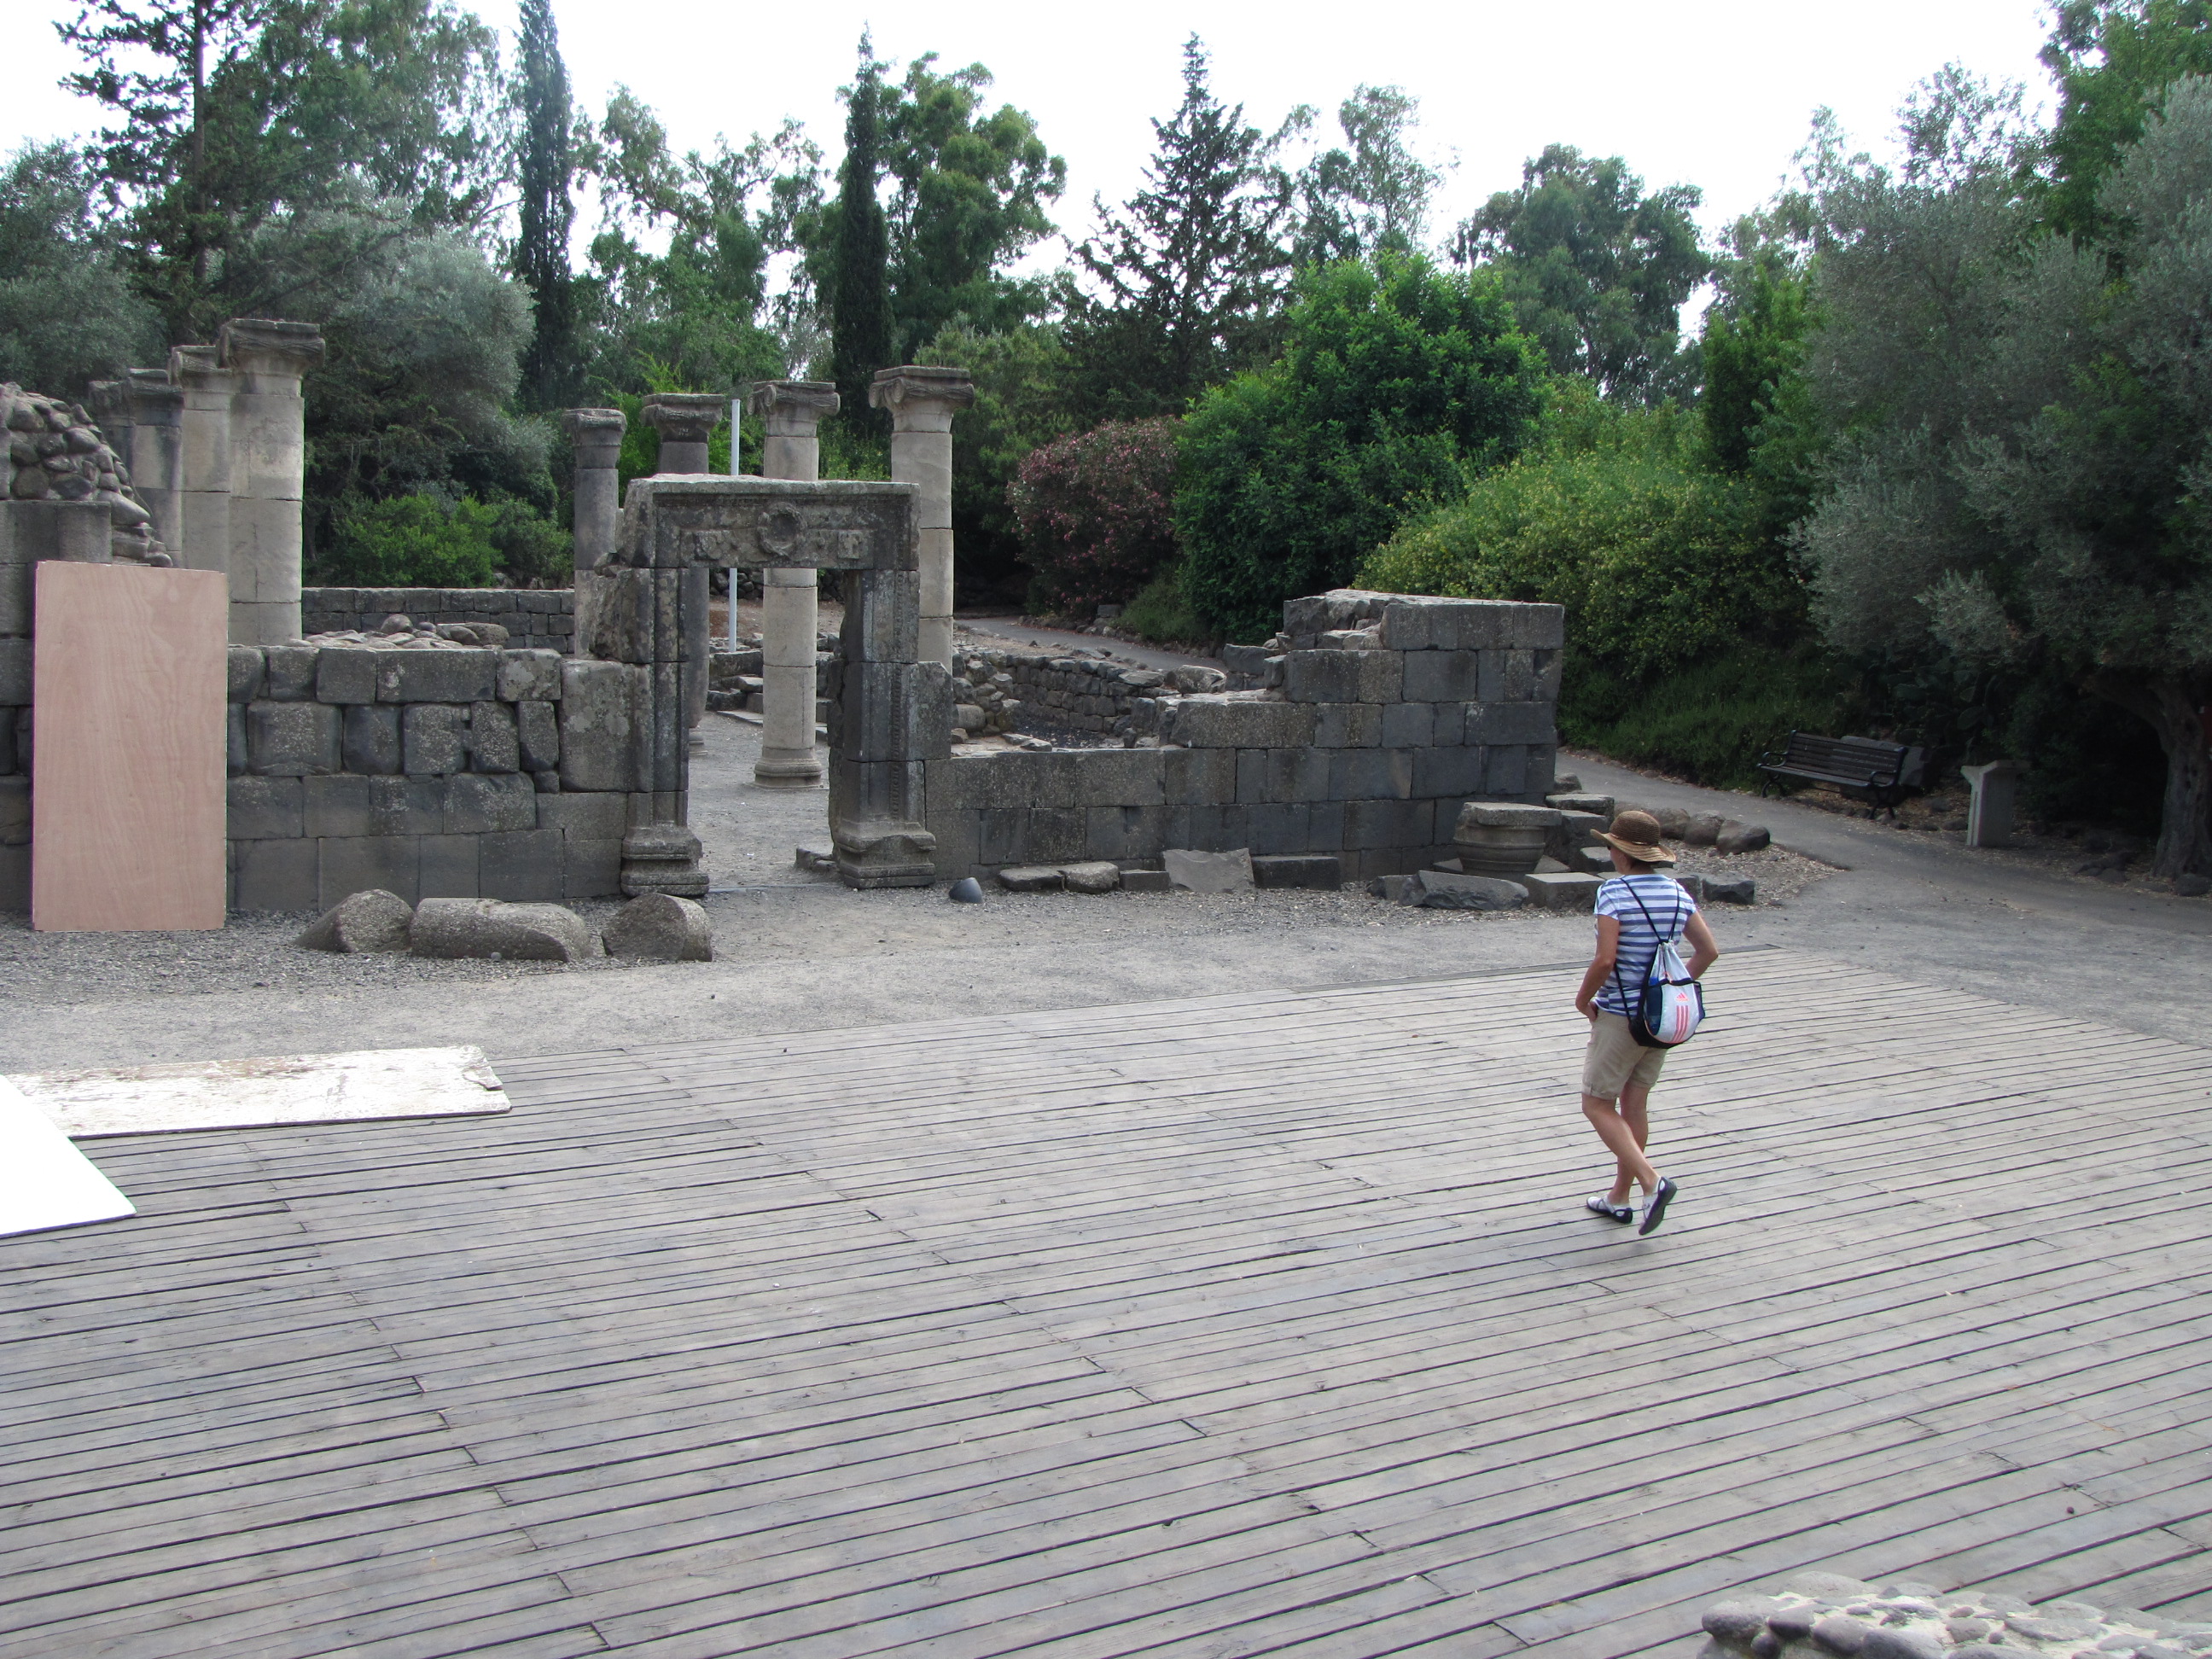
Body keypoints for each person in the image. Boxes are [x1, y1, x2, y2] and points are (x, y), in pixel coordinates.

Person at [1572, 808, 1720, 1236]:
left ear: (1619, 850)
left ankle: (1653, 1182)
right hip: (1661, 1019)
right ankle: (1620, 1197)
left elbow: (1605, 959)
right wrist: (1673, 988)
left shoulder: (1614, 893)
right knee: (1635, 1104)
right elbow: (1708, 951)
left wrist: (1584, 1000)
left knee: (1597, 1103)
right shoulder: (1676, 892)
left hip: (1620, 1014)